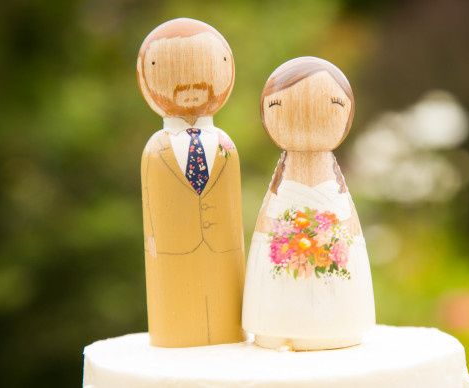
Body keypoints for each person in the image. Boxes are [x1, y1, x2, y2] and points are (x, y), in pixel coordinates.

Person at [242, 57, 375, 350]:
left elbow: (349, 228)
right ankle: (276, 323)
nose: (307, 115)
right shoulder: (282, 186)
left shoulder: (333, 185)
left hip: (342, 327)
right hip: (275, 326)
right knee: (280, 280)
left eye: (329, 106)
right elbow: (267, 228)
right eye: (281, 107)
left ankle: (338, 322)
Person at [137, 18, 244, 347]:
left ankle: (226, 330)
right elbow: (151, 203)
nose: (191, 86)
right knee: (178, 310)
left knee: (225, 313)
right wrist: (153, 244)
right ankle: (176, 333)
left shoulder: (226, 145)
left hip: (225, 249)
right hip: (172, 250)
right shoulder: (155, 149)